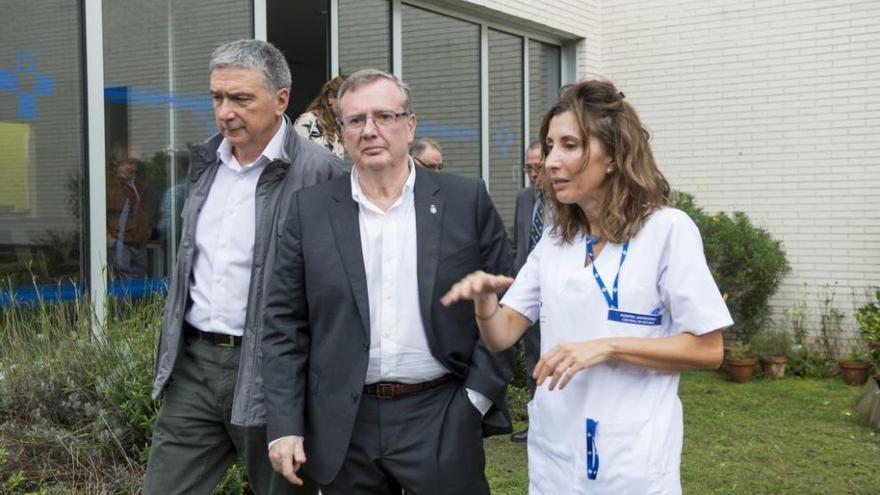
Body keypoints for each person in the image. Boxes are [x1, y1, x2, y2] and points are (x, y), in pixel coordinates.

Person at [441, 80, 731, 494]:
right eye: (549, 145)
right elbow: (503, 333)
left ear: (613, 155)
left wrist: (607, 346)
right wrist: (486, 304)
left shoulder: (667, 231)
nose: (550, 161)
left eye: (569, 145)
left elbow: (708, 349)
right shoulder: (558, 240)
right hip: (557, 453)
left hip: (630, 459)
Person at [262, 68, 515, 495]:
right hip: (346, 423)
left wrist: (475, 400)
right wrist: (284, 425)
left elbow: (511, 301)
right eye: (355, 120)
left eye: (384, 116)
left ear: (409, 124)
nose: (370, 130)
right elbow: (284, 324)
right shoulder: (312, 211)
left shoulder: (464, 200)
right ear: (341, 132)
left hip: (441, 414)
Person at [145, 39, 344, 495]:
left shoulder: (322, 174)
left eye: (240, 98)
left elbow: (338, 288)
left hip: (274, 373)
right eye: (217, 97)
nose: (225, 112)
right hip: (194, 366)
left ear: (281, 100)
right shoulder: (205, 165)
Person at [508, 141, 545, 443]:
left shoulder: (567, 200)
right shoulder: (524, 198)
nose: (533, 173)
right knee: (533, 358)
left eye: (538, 167)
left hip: (558, 295)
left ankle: (557, 422)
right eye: (528, 168)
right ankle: (536, 423)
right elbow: (517, 243)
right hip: (528, 294)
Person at [106, 153, 153, 280]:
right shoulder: (109, 185)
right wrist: (107, 236)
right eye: (129, 163)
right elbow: (98, 210)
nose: (133, 167)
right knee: (123, 283)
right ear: (118, 165)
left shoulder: (139, 185)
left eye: (135, 163)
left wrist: (146, 232)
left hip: (139, 242)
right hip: (120, 242)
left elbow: (144, 212)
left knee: (140, 284)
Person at [293, 74, 348, 158]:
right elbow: (294, 157)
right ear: (330, 98)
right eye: (345, 100)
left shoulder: (337, 127)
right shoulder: (308, 120)